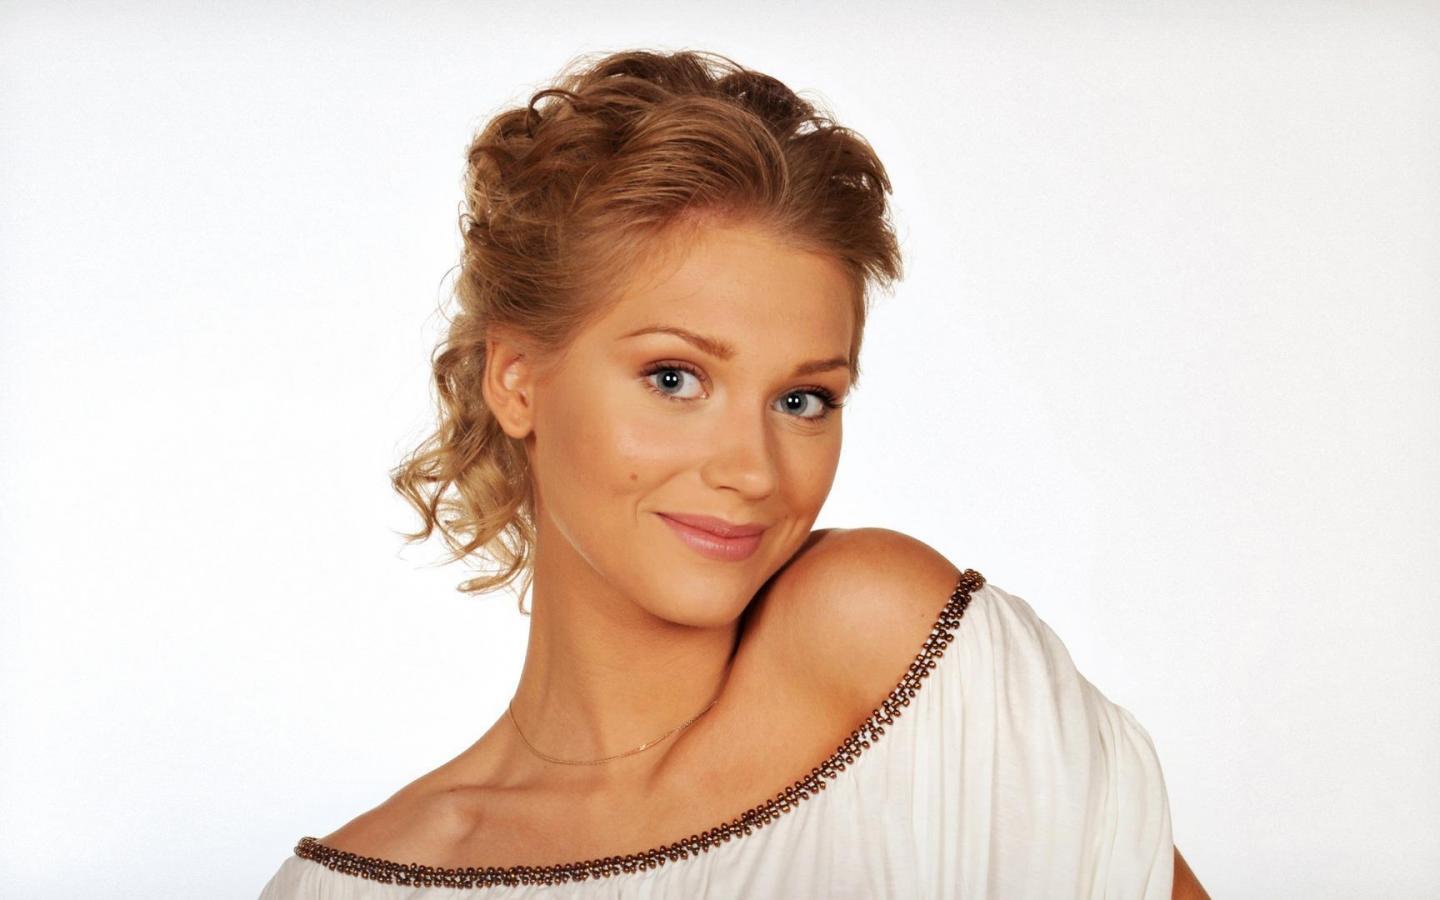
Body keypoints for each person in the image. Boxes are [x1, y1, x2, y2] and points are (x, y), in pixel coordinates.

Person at [258, 48, 1208, 899]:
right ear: (516, 381)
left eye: (803, 399)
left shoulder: (889, 653)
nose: (753, 471)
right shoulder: (348, 887)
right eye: (674, 379)